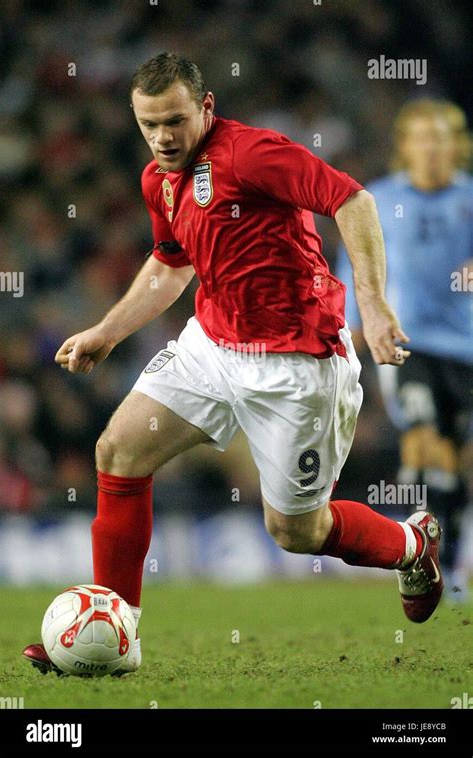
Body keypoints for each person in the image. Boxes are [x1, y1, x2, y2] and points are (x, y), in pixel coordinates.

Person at [23, 54, 443, 677]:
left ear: (207, 107)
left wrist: (374, 305)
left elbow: (353, 200)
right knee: (118, 450)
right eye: (149, 125)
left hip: (297, 366)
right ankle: (119, 636)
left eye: (175, 121)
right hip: (213, 345)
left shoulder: (253, 155)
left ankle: (412, 545)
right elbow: (170, 264)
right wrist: (107, 332)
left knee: (295, 531)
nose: (163, 138)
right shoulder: (158, 179)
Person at [337, 99, 472, 602]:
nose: (432, 148)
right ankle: (416, 556)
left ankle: (449, 563)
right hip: (405, 341)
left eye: (441, 138)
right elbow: (356, 266)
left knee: (455, 461)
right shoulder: (380, 201)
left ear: (457, 145)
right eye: (422, 137)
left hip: (466, 347)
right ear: (405, 146)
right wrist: (350, 328)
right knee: (422, 438)